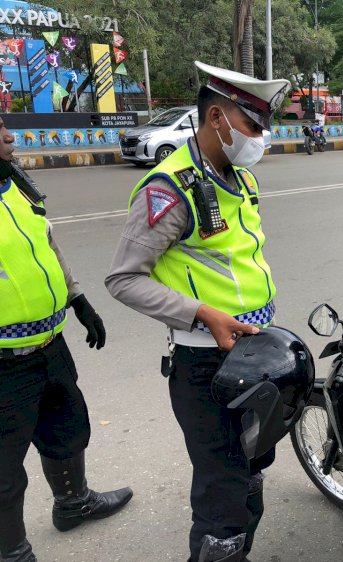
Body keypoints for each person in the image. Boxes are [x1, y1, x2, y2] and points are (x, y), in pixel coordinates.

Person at [105, 60, 290, 562]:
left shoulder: (239, 176)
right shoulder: (169, 189)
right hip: (208, 365)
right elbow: (123, 279)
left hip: (253, 356)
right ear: (216, 120)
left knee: (250, 470)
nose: (262, 137)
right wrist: (203, 313)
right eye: (253, 125)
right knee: (222, 493)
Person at [0, 116, 132, 562]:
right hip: (3, 363)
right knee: (3, 471)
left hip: (49, 346)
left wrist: (79, 302)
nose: (8, 137)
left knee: (68, 427)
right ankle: (13, 553)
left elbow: (48, 246)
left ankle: (72, 504)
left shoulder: (16, 185)